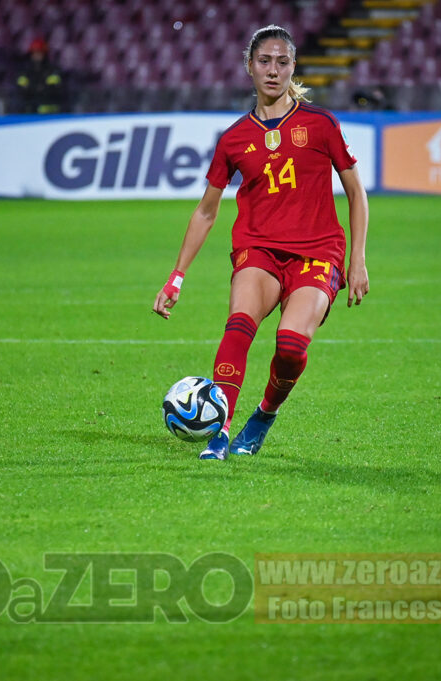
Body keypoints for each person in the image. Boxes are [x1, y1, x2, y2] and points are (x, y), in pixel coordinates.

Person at [153, 25, 369, 461]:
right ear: (249, 67)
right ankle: (220, 429)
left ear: (293, 67)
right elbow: (206, 211)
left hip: (318, 250)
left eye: (282, 62)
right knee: (239, 326)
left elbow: (356, 193)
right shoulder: (234, 139)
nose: (273, 71)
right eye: (265, 61)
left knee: (290, 345)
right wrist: (176, 277)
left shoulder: (321, 123)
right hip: (258, 248)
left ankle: (264, 414)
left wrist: (358, 259)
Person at [16, 38, 65, 114]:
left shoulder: (52, 71)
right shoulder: (25, 72)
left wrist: (32, 88)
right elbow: (21, 91)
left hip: (50, 114)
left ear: (44, 54)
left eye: (39, 53)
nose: (36, 56)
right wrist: (39, 88)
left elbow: (51, 91)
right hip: (29, 113)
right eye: (34, 53)